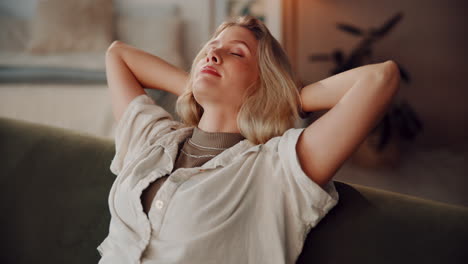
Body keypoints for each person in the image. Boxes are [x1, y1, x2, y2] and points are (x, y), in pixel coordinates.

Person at [98, 16, 400, 264]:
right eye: (210, 48)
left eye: (236, 53)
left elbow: (380, 78)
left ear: (262, 82)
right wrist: (197, 84)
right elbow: (118, 55)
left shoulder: (278, 169)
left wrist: (279, 97)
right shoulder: (155, 138)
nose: (212, 55)